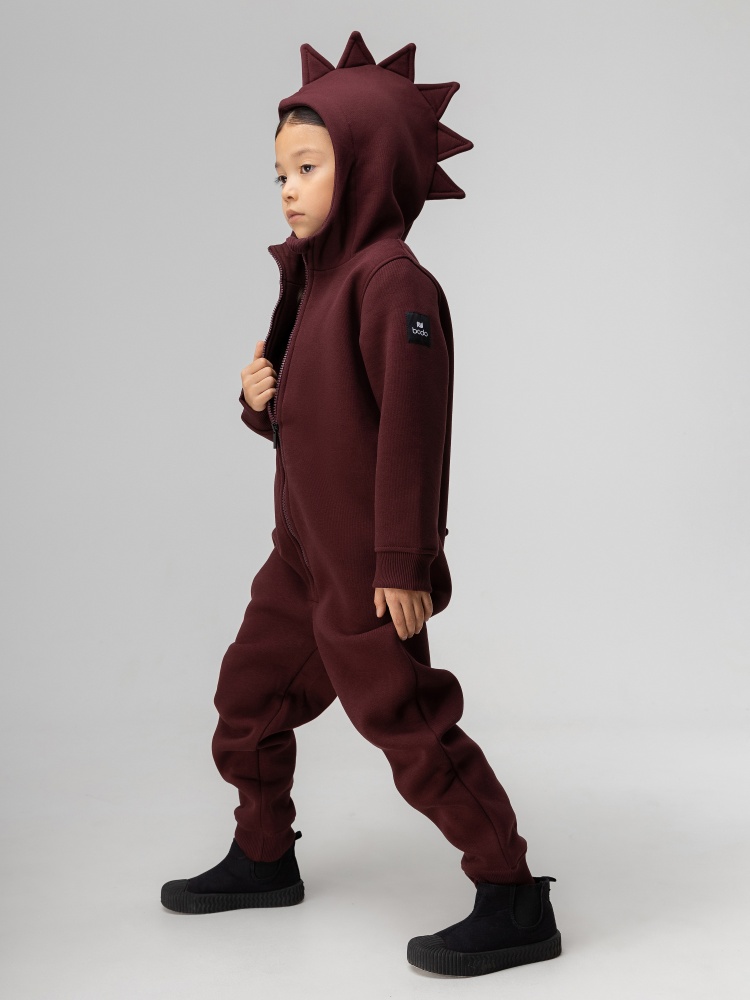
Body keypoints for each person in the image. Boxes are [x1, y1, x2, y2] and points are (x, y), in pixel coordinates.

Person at [161, 30, 561, 978]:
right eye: (280, 173)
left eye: (309, 167)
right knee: (247, 699)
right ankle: (264, 855)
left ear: (371, 163)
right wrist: (259, 401)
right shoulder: (315, 279)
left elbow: (413, 436)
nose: (288, 189)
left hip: (365, 568)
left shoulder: (391, 284)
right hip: (300, 557)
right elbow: (319, 418)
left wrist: (403, 563)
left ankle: (512, 896)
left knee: (409, 726)